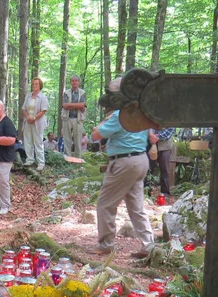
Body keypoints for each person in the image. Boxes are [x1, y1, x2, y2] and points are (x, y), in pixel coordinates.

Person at [91, 77, 154, 257]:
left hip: (124, 162)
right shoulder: (139, 112)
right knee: (136, 206)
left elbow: (95, 135)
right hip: (140, 160)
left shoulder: (119, 115)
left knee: (105, 204)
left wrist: (105, 120)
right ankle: (149, 245)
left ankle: (106, 244)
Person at [21, 77, 49, 170]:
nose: (34, 85)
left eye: (36, 84)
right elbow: (24, 108)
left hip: (38, 122)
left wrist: (34, 118)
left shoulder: (43, 97)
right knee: (28, 141)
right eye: (33, 84)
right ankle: (29, 160)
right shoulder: (28, 96)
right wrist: (28, 117)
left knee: (38, 142)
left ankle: (41, 162)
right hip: (28, 121)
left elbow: (43, 110)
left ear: (40, 85)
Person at [61, 75, 86, 157]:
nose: (74, 82)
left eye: (76, 81)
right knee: (67, 139)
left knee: (78, 139)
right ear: (70, 82)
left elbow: (82, 106)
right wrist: (77, 105)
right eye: (73, 81)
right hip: (67, 117)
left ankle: (78, 157)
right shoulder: (66, 92)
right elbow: (65, 105)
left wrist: (70, 105)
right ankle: (67, 157)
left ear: (78, 82)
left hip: (78, 119)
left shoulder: (82, 92)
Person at [148, 127, 175, 197]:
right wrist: (151, 135)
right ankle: (147, 191)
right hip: (150, 145)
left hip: (165, 146)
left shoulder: (171, 117)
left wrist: (156, 137)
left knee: (164, 169)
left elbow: (170, 129)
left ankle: (165, 193)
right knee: (149, 168)